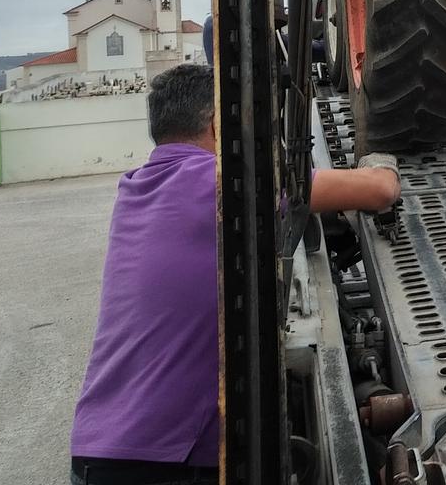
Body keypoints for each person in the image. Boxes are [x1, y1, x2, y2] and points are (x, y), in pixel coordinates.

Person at [69, 63, 399, 483]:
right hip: (168, 462)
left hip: (101, 450)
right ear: (216, 122)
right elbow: (379, 191)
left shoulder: (136, 187)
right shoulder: (219, 182)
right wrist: (383, 159)